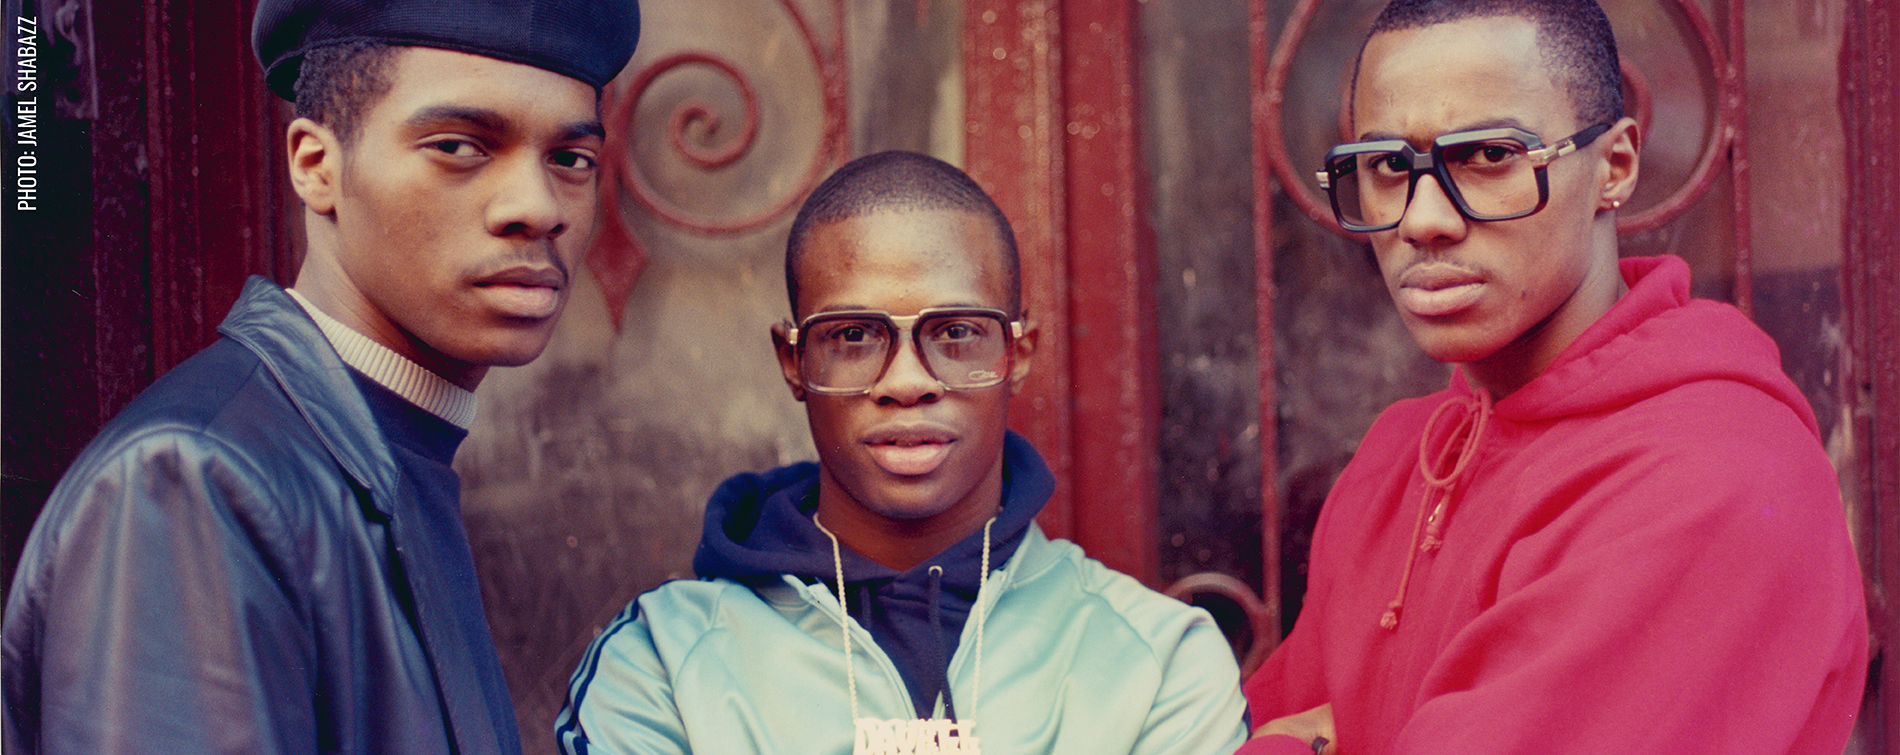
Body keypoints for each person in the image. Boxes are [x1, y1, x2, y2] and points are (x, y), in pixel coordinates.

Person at [1, 1, 638, 752]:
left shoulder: (397, 449)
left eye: (570, 159)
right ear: (316, 165)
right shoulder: (195, 483)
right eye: (459, 146)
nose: (536, 207)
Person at [1236, 1, 1867, 753]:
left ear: (1616, 167)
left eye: (1490, 156)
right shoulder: (1398, 456)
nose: (1423, 219)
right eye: (1387, 168)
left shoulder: (1715, 474)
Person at [556, 150, 1248, 755]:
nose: (908, 381)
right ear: (794, 361)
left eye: (956, 332)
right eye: (854, 335)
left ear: (1017, 353)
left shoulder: (1159, 662)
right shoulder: (663, 663)